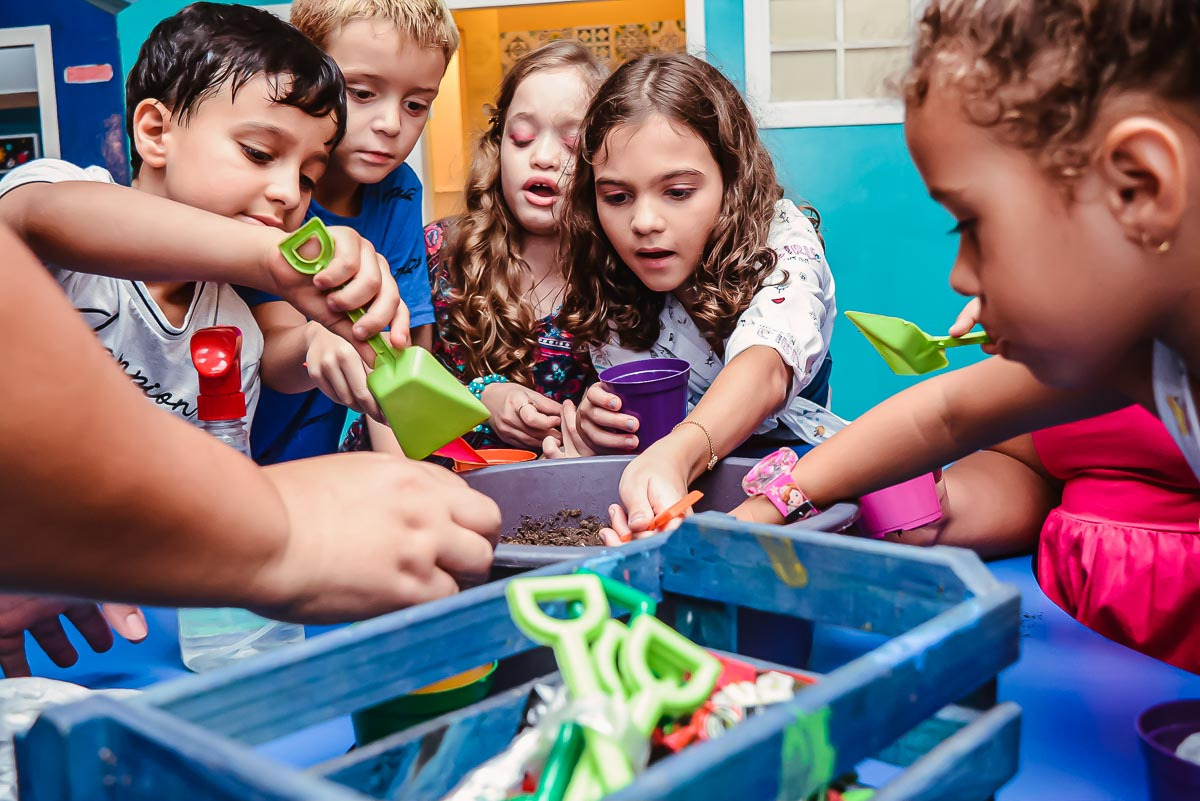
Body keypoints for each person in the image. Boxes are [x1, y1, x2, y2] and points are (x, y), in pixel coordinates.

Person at [0, 224, 500, 625]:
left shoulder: (236, 326)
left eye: (307, 176)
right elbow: (29, 213)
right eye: (258, 153)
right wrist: (280, 528)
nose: (285, 192)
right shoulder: (64, 223)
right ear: (156, 131)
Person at [551, 54, 840, 543]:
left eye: (678, 192)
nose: (643, 222)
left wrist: (675, 452)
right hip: (687, 494)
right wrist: (606, 433)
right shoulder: (609, 277)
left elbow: (766, 364)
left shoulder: (784, 240)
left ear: (732, 180)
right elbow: (650, 443)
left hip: (807, 478)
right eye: (617, 197)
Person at [344, 40, 608, 454]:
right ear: (498, 145)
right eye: (522, 138)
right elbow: (393, 379)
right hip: (415, 480)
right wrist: (482, 400)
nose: (543, 157)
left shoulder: (621, 276)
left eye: (571, 143)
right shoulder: (437, 253)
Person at [244, 0, 458, 463]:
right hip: (234, 451)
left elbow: (402, 362)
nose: (391, 124)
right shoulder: (275, 188)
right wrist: (315, 338)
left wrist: (411, 482)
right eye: (361, 93)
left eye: (417, 104)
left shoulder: (399, 190)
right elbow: (272, 352)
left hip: (318, 456)